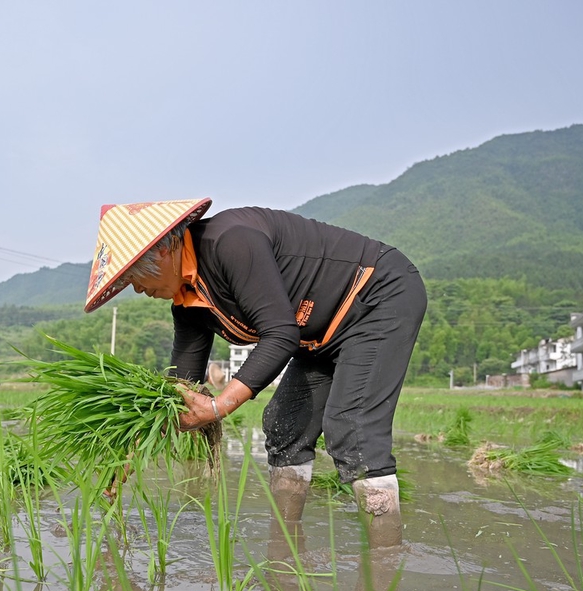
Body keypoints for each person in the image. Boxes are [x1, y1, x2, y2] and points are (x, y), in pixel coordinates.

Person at [84, 198, 427, 547]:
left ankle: (385, 565)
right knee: (284, 423)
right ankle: (284, 547)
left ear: (160, 251)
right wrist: (127, 455)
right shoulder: (187, 307)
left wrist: (218, 407)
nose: (137, 289)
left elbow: (280, 334)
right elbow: (178, 392)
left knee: (351, 425)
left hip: (377, 295)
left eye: (134, 277)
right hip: (319, 335)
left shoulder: (230, 242)